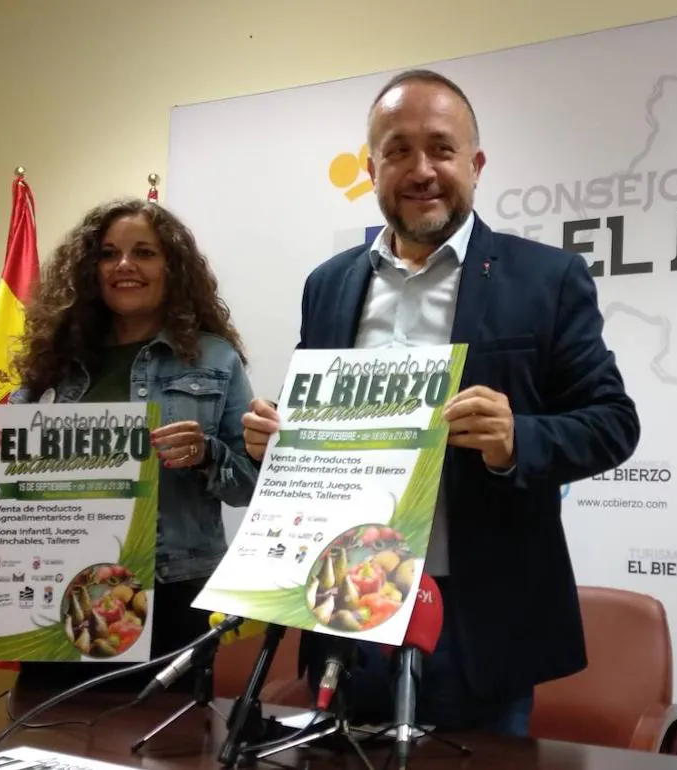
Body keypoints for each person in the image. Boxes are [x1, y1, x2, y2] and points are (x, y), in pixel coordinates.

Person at [241, 69, 640, 735]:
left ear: (476, 164)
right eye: (398, 150)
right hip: (346, 605)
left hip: (475, 621)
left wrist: (518, 438)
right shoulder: (329, 285)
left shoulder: (546, 278)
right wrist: (275, 439)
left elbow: (613, 423)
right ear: (371, 168)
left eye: (441, 148)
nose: (421, 169)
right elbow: (312, 427)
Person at [0, 198, 258, 690]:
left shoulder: (214, 359)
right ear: (89, 270)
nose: (124, 266)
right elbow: (3, 503)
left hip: (171, 593)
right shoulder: (53, 362)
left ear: (172, 267)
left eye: (144, 252)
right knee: (47, 741)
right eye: (108, 254)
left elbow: (248, 486)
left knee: (161, 755)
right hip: (61, 595)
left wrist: (205, 453)